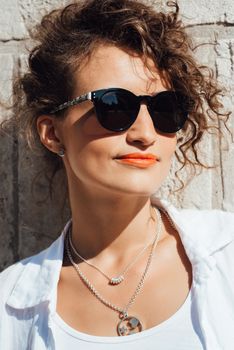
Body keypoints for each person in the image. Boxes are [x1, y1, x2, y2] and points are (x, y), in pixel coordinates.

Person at [0, 0, 234, 349]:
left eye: (164, 109)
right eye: (114, 105)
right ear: (52, 133)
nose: (145, 133)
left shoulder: (226, 253)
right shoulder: (10, 307)